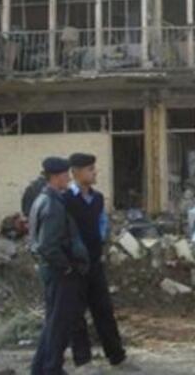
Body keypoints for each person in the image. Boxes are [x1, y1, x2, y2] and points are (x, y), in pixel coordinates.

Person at [64, 153, 135, 371]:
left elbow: (102, 223)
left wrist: (100, 240)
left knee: (103, 310)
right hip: (74, 265)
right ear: (76, 173)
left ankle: (117, 357)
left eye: (94, 169)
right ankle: (83, 360)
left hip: (94, 262)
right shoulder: (66, 199)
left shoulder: (97, 198)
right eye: (90, 170)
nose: (94, 173)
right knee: (76, 314)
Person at [30, 157, 89, 375]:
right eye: (66, 175)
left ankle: (41, 367)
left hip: (50, 269)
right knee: (59, 325)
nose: (68, 179)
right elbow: (48, 245)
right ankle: (52, 368)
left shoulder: (42, 200)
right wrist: (66, 267)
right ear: (56, 177)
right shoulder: (53, 204)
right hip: (58, 272)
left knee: (53, 321)